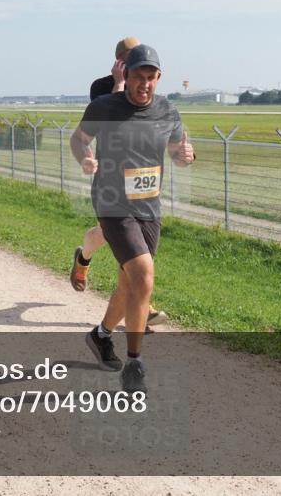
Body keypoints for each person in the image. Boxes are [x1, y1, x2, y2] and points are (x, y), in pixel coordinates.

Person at [70, 44, 195, 393]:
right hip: (111, 203)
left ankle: (101, 335)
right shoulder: (105, 107)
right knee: (143, 275)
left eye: (151, 77)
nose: (144, 84)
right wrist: (84, 158)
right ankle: (135, 364)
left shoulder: (168, 112)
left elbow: (177, 153)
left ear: (159, 78)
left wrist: (187, 155)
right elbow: (79, 139)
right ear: (126, 75)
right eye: (138, 76)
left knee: (130, 285)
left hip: (149, 207)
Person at [71, 37, 168, 327]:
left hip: (141, 189)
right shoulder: (102, 87)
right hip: (111, 184)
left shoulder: (149, 95)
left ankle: (137, 307)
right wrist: (118, 83)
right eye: (130, 61)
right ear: (120, 63)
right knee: (120, 247)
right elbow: (107, 117)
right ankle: (86, 260)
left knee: (127, 255)